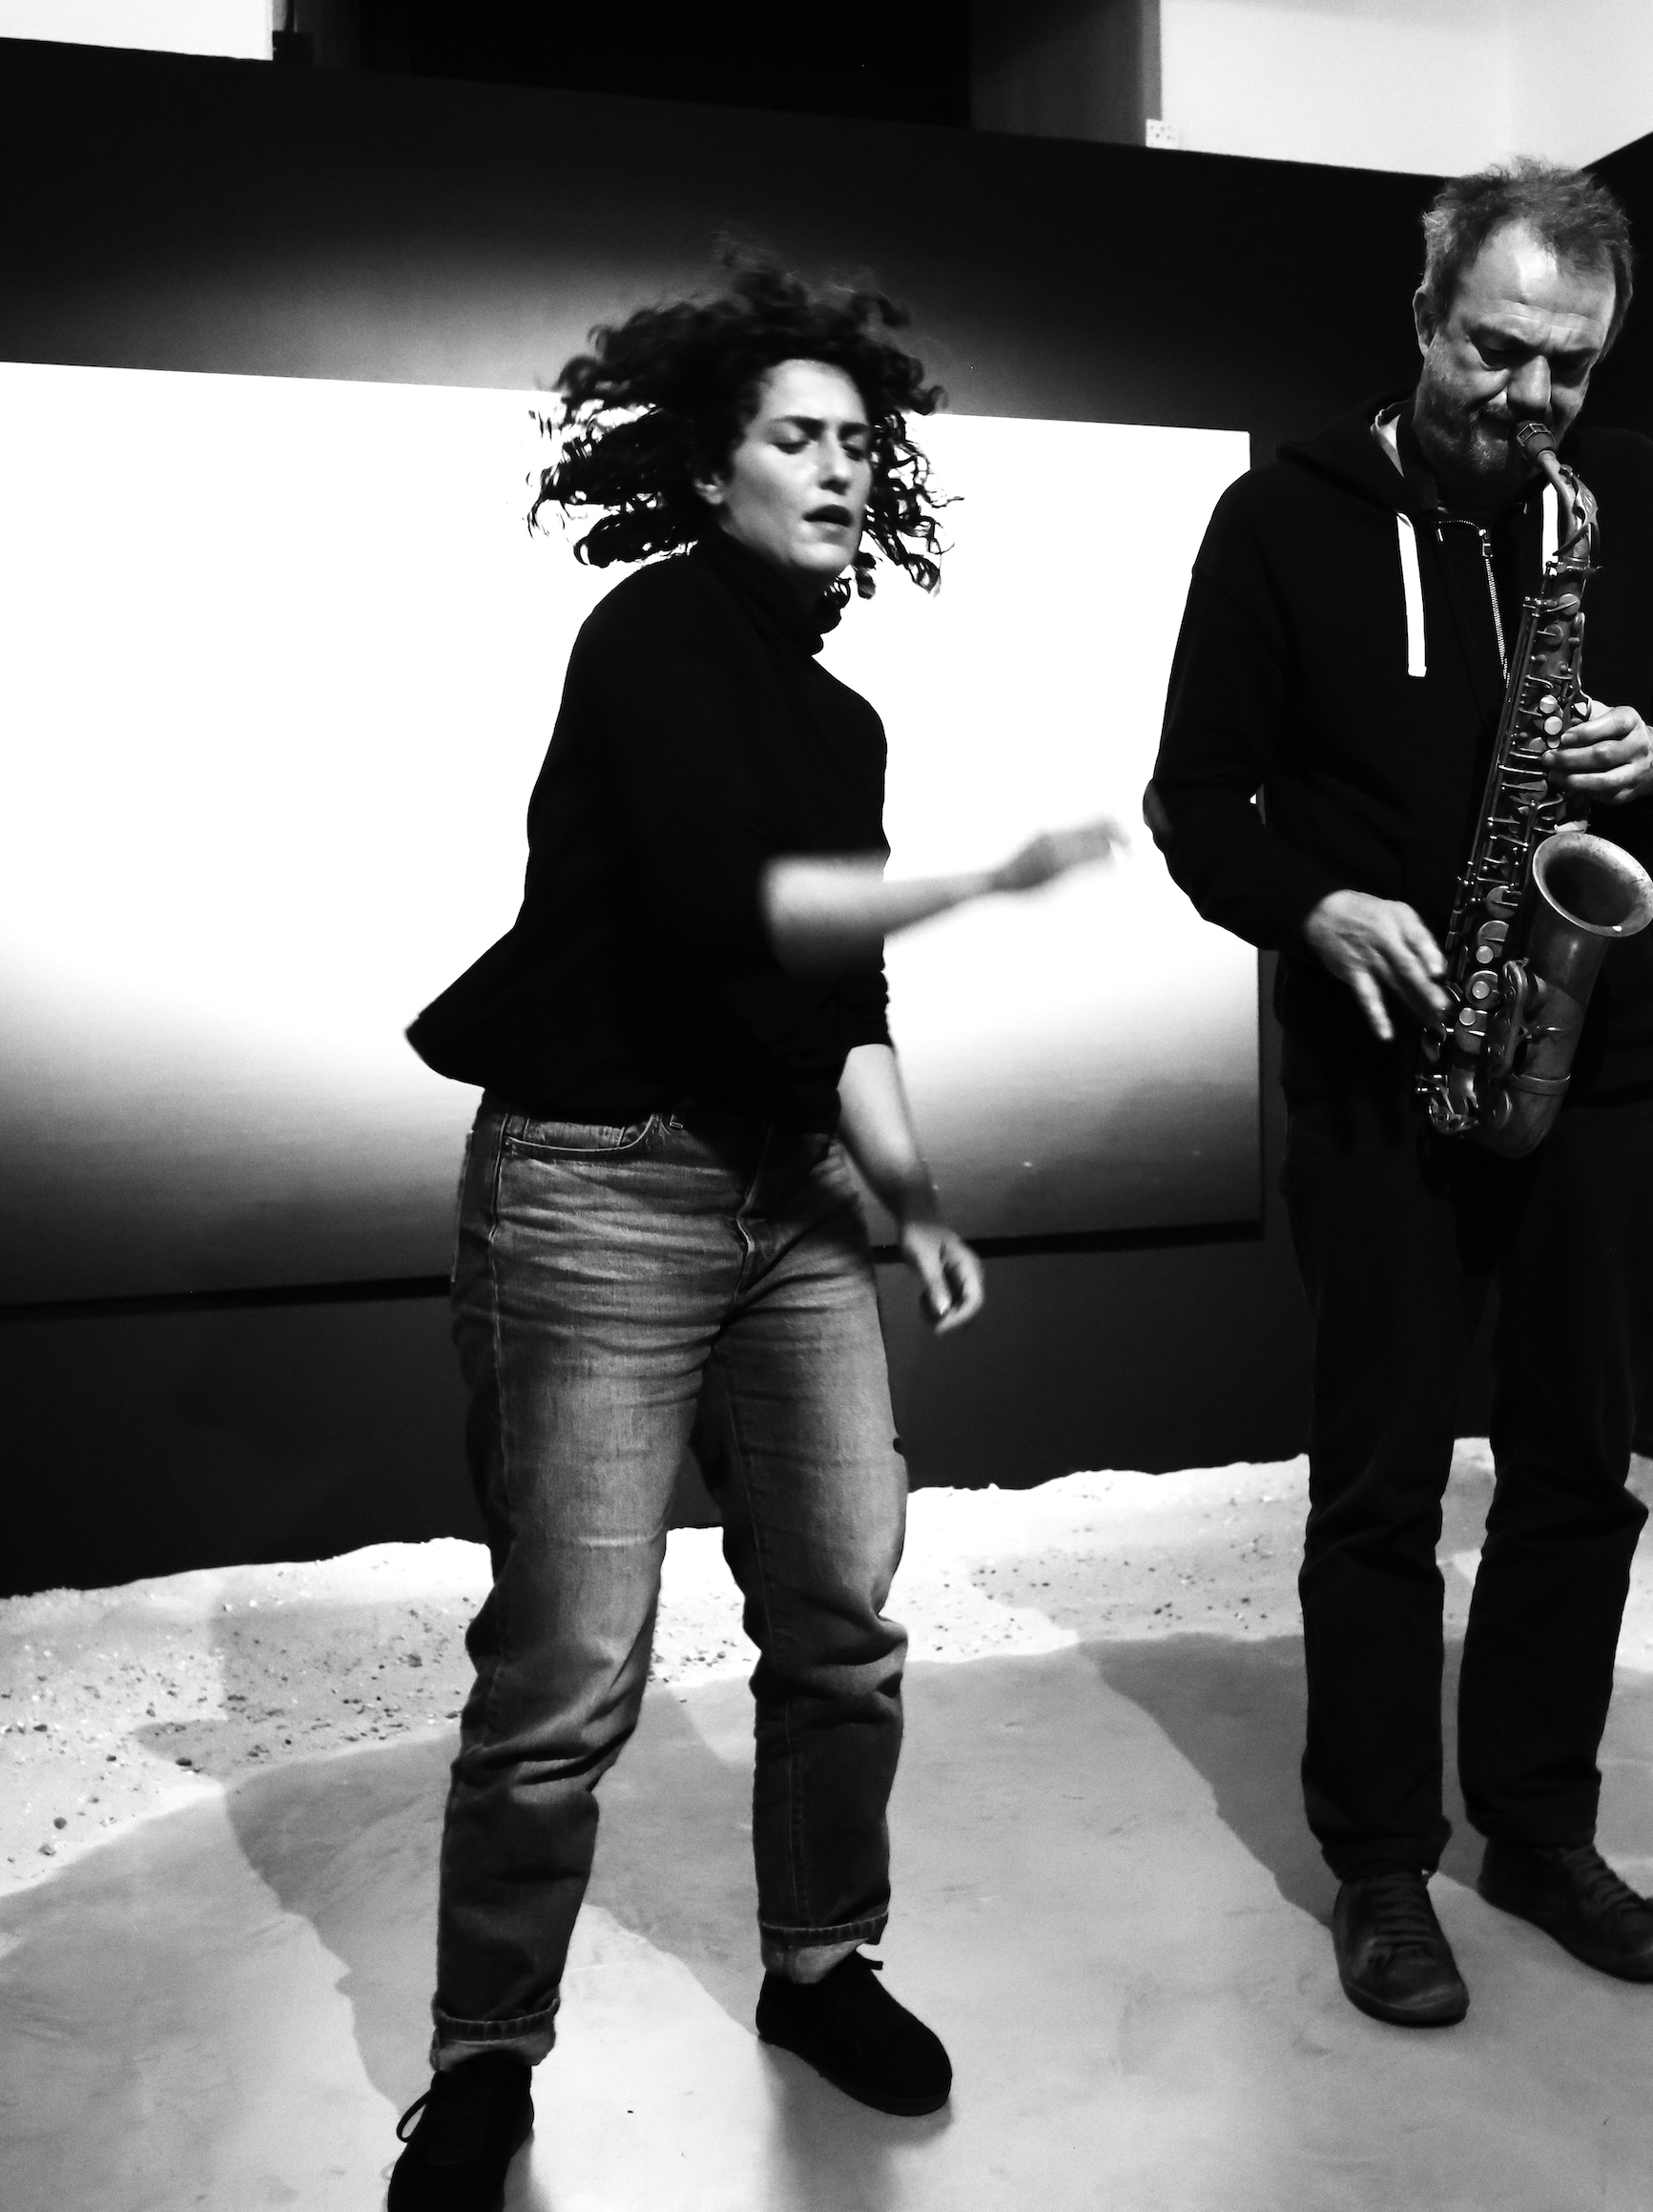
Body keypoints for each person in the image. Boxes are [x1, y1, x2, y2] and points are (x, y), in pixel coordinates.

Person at [386, 256, 1116, 2205]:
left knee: (843, 1620)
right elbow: (740, 921)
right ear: (712, 468)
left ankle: (819, 1966)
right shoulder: (646, 635)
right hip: (596, 1188)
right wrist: (1001, 877)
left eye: (862, 441)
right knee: (567, 1672)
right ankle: (481, 2063)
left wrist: (913, 1196)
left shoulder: (841, 723)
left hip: (787, 1201)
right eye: (798, 436)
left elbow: (838, 1001)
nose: (841, 466)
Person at [1146, 160, 1653, 2029]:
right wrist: (1310, 905)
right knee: (1381, 1487)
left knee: (1577, 1471)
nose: (1531, 397)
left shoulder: (1623, 496)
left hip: (1603, 1060)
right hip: (1384, 1066)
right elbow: (1196, 800)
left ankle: (1539, 1826)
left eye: (1569, 365)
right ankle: (1380, 1861)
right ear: (1423, 318)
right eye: (1497, 351)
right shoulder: (1280, 521)